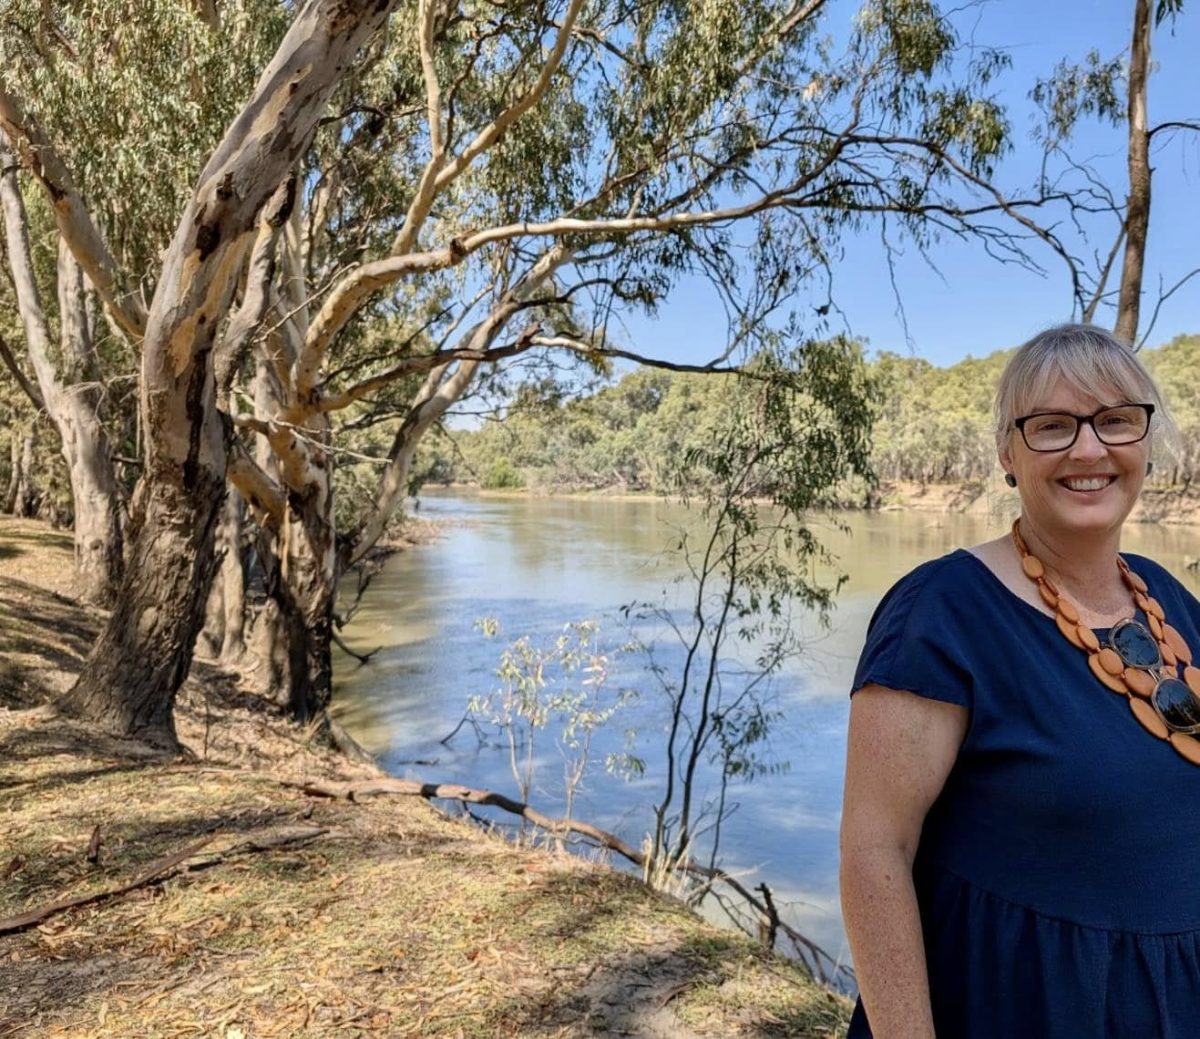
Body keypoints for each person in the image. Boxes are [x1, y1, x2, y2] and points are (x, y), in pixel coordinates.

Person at [838, 322, 1200, 1039]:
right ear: (1008, 451)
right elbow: (874, 852)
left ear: (1146, 442)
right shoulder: (939, 615)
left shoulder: (1172, 601)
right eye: (1053, 426)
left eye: (1116, 420)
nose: (1089, 448)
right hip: (1022, 1005)